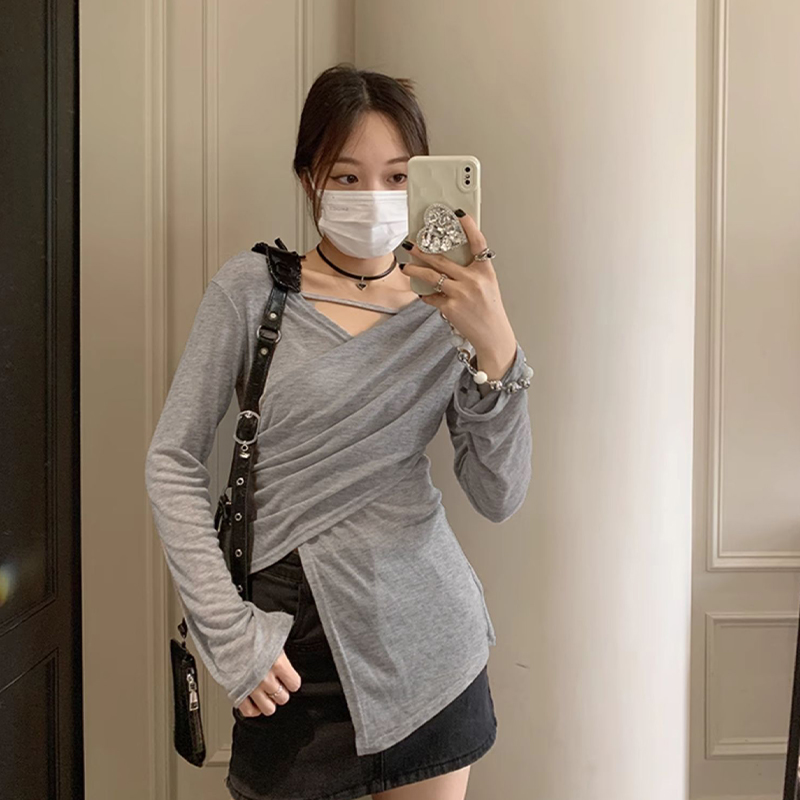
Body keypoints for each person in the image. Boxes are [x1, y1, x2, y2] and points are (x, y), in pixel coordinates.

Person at [145, 63, 533, 800]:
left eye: (396, 177)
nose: (373, 195)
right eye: (348, 176)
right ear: (308, 177)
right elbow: (172, 461)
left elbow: (498, 494)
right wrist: (228, 634)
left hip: (430, 646)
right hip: (285, 656)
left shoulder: (448, 305)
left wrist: (497, 348)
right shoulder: (251, 290)